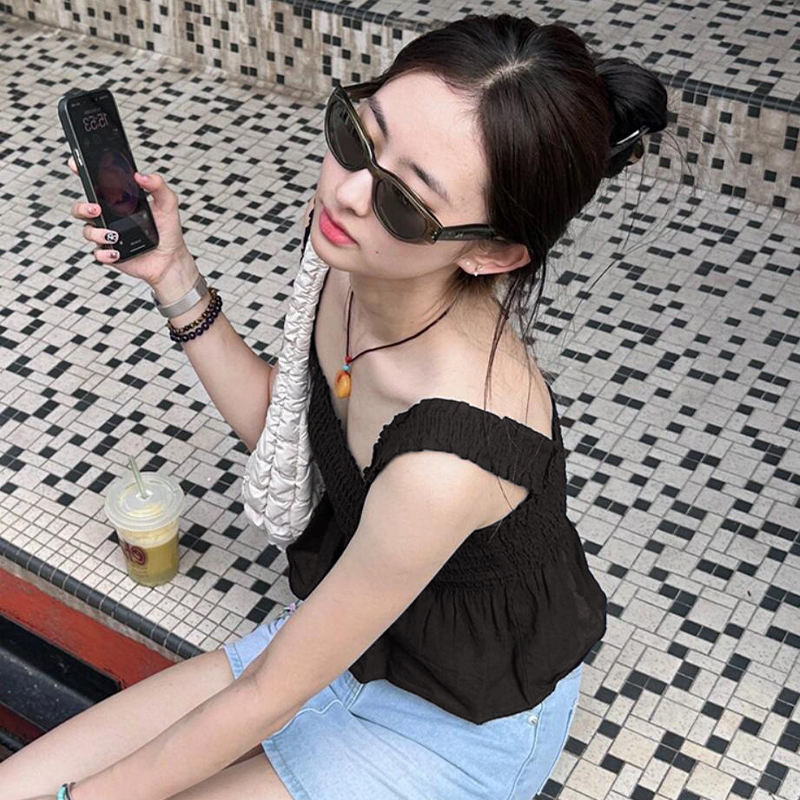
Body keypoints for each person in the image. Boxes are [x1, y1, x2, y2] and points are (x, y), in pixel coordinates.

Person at [4, 13, 668, 800]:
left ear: (491, 252)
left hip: (452, 725)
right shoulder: (353, 265)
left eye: (405, 199)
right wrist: (173, 275)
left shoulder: (454, 454)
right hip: (347, 643)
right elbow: (292, 435)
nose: (347, 193)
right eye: (357, 136)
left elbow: (267, 695)